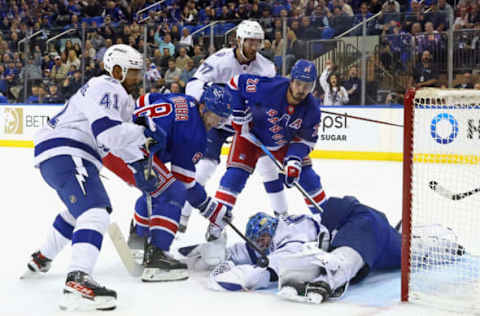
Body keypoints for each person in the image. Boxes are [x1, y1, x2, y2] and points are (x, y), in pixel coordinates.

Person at [21, 44, 166, 311]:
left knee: (78, 213)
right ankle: (77, 280)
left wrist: (138, 165)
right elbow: (108, 133)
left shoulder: (120, 95)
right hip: (68, 149)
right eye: (133, 72)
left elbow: (117, 141)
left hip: (64, 153)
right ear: (118, 70)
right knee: (95, 212)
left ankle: (42, 257)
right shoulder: (106, 86)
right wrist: (142, 134)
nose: (138, 78)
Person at [197, 195, 464, 304]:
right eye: (260, 241)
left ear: (272, 231)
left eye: (265, 239)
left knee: (349, 257)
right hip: (363, 229)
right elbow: (246, 251)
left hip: (361, 223)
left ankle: (444, 243)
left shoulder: (292, 236)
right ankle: (435, 244)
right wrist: (211, 254)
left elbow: (266, 270)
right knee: (405, 253)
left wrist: (234, 273)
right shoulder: (272, 234)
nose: (262, 245)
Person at [102, 84, 232, 282]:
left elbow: (146, 100)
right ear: (203, 107)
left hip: (115, 142)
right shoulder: (195, 133)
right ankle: (157, 256)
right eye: (216, 115)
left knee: (157, 189)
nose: (218, 122)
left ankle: (138, 240)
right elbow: (185, 181)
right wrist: (211, 209)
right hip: (131, 150)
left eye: (222, 118)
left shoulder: (184, 100)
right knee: (173, 191)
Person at [206, 59, 327, 249]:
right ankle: (217, 223)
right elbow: (236, 83)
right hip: (250, 135)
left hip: (282, 141)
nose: (302, 90)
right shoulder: (269, 87)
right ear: (291, 80)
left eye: (307, 86)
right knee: (235, 177)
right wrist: (240, 113)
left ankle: (326, 220)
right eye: (299, 84)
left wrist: (294, 160)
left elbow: (306, 140)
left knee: (308, 178)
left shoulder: (312, 108)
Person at [180, 20, 278, 234]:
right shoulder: (219, 60)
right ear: (239, 40)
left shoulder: (266, 68)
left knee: (267, 166)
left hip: (247, 124)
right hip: (216, 121)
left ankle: (283, 215)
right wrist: (210, 97)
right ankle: (183, 214)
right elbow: (193, 85)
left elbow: (271, 98)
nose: (254, 47)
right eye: (250, 42)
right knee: (205, 167)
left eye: (258, 43)